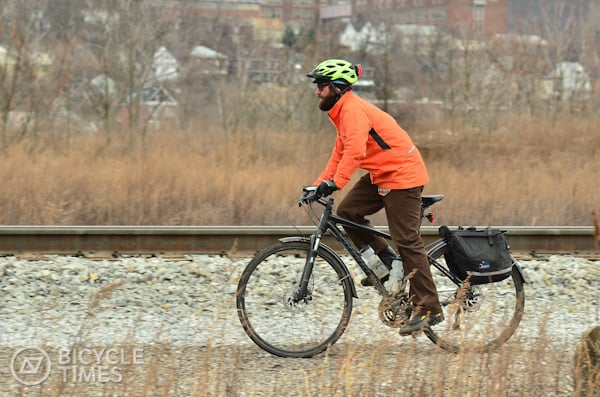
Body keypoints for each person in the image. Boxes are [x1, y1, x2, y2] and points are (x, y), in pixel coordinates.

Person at [305, 58, 443, 335]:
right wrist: (318, 184)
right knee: (347, 213)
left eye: (320, 86)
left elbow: (354, 153)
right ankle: (387, 262)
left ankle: (429, 307)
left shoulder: (353, 111)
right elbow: (339, 153)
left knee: (407, 240)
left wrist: (335, 183)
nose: (317, 91)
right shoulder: (343, 112)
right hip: (382, 172)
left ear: (336, 87)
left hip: (402, 175)